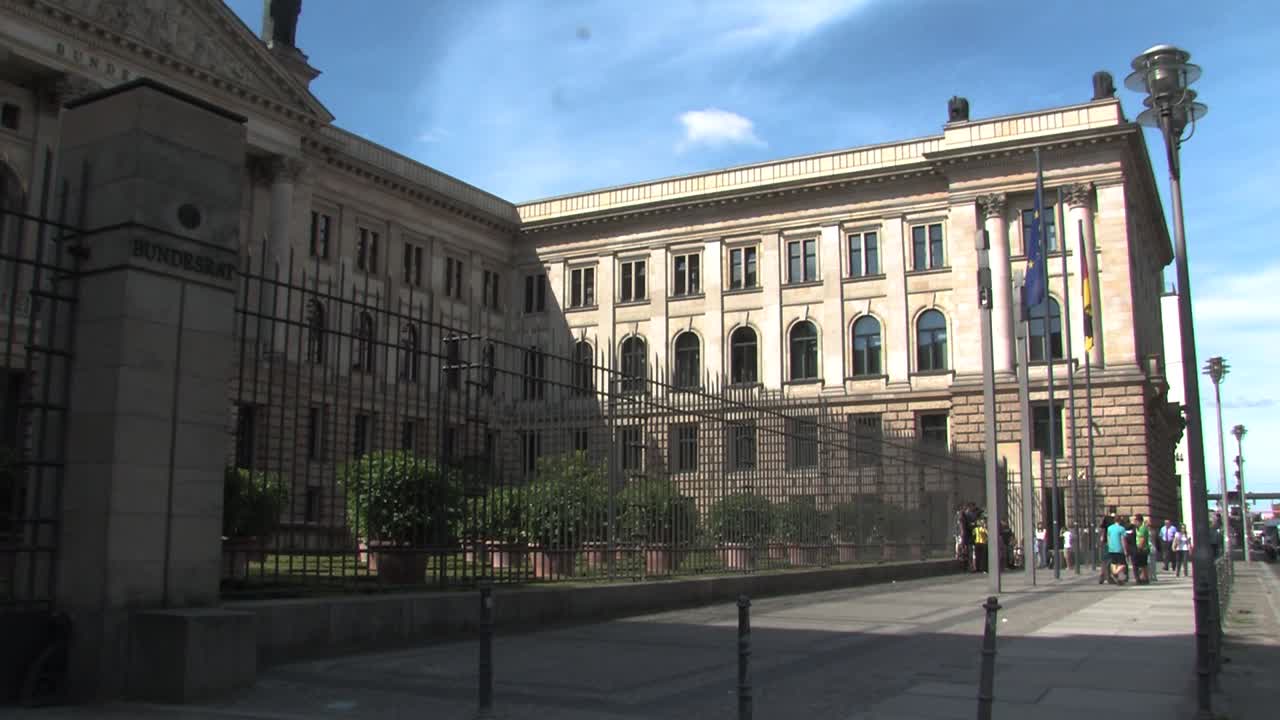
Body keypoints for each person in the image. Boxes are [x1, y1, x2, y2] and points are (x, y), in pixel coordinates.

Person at [1106, 514, 1128, 585]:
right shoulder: (1122, 529)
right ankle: (1115, 574)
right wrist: (1125, 550)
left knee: (1114, 563)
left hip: (1111, 549)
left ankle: (1118, 578)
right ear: (1120, 520)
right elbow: (1123, 540)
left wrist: (1109, 546)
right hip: (1119, 549)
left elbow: (1108, 538)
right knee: (1123, 564)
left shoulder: (1109, 528)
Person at [1133, 514, 1151, 585]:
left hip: (1142, 549)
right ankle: (1145, 578)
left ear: (1139, 521)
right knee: (1143, 564)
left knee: (1142, 564)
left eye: (1135, 521)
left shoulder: (1142, 528)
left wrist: (1139, 548)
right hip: (1142, 548)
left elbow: (1142, 539)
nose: (1134, 522)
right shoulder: (1139, 528)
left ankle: (1144, 579)